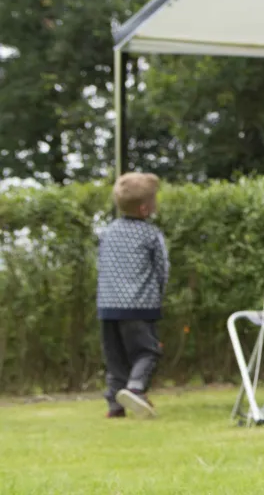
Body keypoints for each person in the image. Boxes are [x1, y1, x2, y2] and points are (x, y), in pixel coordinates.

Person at [95, 172, 169, 419]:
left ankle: (115, 405)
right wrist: (159, 293)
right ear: (145, 208)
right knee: (147, 351)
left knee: (115, 357)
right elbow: (162, 267)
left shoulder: (108, 232)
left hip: (108, 304)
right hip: (139, 304)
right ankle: (136, 388)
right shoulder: (150, 234)